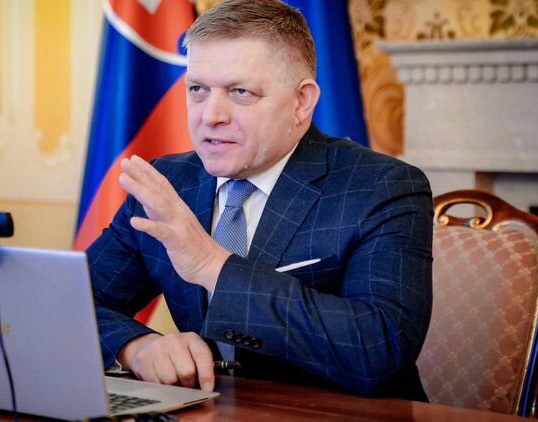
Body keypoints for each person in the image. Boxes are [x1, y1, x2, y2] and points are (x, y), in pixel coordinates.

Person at [87, 0, 433, 400]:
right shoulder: (168, 183)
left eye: (240, 92)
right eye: (198, 90)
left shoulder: (381, 187)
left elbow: (380, 348)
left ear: (301, 102)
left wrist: (212, 266)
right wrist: (136, 346)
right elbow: (74, 302)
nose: (210, 115)